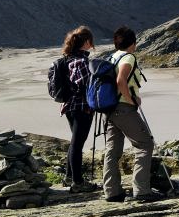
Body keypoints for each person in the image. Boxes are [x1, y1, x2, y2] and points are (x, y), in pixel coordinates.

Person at [102, 26, 164, 203]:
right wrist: (131, 100)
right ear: (133, 43)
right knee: (144, 144)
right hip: (124, 108)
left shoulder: (112, 57)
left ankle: (112, 191)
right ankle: (142, 190)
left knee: (112, 150)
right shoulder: (128, 57)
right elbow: (121, 80)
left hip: (110, 109)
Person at [60, 25, 99, 193]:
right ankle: (77, 182)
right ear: (87, 41)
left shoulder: (68, 58)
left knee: (75, 141)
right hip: (82, 107)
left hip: (69, 106)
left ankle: (69, 176)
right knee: (78, 143)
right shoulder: (82, 61)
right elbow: (84, 85)